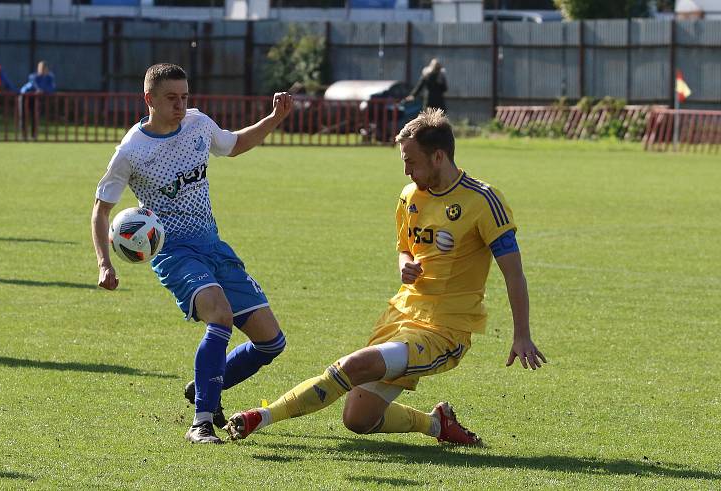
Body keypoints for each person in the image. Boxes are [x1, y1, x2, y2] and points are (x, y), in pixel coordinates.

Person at [225, 108, 546, 445]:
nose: (406, 170)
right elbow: (405, 248)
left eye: (412, 161)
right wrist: (404, 264)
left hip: (445, 330)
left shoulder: (482, 200)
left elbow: (514, 273)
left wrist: (521, 334)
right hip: (400, 315)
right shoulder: (410, 197)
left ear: (439, 156)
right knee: (358, 419)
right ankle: (437, 425)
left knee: (354, 365)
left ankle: (260, 417)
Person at [91, 63, 292, 444]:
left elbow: (234, 145)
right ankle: (200, 422)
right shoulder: (131, 151)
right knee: (220, 314)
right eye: (171, 98)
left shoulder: (199, 124)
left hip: (213, 245)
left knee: (271, 342)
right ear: (149, 99)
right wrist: (104, 263)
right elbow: (101, 210)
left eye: (184, 97)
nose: (180, 105)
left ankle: (203, 386)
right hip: (174, 252)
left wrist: (274, 117)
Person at [19, 60, 56, 139]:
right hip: (25, 96)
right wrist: (40, 90)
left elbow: (52, 88)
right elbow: (35, 85)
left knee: (35, 116)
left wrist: (43, 90)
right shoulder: (33, 76)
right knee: (23, 116)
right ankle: (23, 135)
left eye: (43, 68)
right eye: (40, 68)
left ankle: (34, 135)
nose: (41, 70)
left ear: (46, 69)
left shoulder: (50, 77)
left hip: (35, 98)